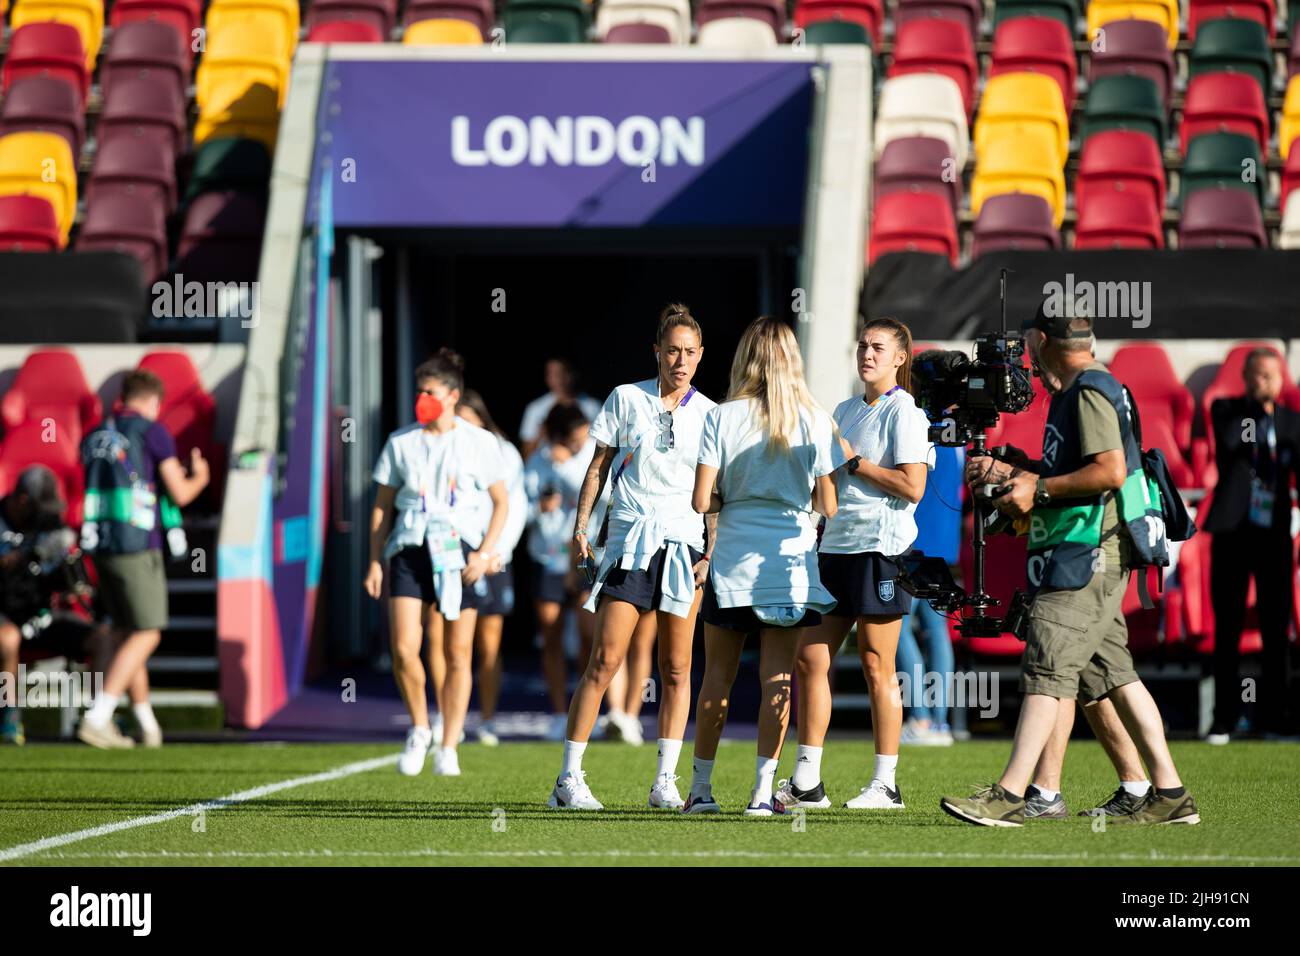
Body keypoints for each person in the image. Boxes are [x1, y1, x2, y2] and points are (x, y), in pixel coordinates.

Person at [940, 306, 1199, 826]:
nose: (1026, 356)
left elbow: (1108, 470)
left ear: (1040, 339)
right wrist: (1016, 469)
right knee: (1113, 678)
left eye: (1029, 344)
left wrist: (1037, 487)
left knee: (1046, 666)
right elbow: (1083, 469)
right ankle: (1169, 794)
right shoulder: (1088, 389)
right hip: (1091, 548)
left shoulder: (1088, 390)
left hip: (1085, 552)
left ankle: (1012, 795)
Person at [547, 304, 716, 811]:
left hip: (684, 548)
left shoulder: (711, 412)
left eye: (690, 352)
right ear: (657, 352)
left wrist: (709, 550)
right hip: (630, 543)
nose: (680, 361)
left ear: (701, 355)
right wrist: (581, 528)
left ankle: (666, 780)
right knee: (604, 660)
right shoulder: (626, 397)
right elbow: (597, 468)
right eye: (672, 351)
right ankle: (568, 779)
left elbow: (715, 493)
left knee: (678, 669)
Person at [686, 316, 842, 816]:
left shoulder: (722, 416)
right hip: (790, 562)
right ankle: (760, 793)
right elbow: (829, 505)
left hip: (732, 560)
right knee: (779, 680)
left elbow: (699, 500)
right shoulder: (816, 420)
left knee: (717, 678)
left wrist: (734, 492)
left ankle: (703, 792)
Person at [778, 317, 932, 812]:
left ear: (899, 358)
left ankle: (886, 784)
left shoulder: (904, 411)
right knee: (811, 658)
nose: (867, 353)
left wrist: (854, 462)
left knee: (875, 663)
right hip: (837, 547)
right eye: (862, 345)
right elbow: (829, 481)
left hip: (880, 549)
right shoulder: (843, 409)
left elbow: (913, 487)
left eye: (878, 347)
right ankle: (807, 783)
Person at [365, 349, 510, 777]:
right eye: (419, 392)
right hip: (410, 549)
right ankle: (419, 727)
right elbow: (381, 507)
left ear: (451, 395)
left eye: (429, 392)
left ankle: (449, 744)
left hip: (457, 550)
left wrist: (484, 553)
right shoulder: (401, 442)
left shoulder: (478, 442)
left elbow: (501, 502)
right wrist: (375, 560)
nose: (421, 399)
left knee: (457, 651)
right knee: (405, 647)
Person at [76, 370, 209, 750]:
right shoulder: (153, 431)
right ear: (153, 402)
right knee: (147, 632)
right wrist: (199, 477)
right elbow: (180, 493)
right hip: (136, 542)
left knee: (125, 631)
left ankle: (146, 725)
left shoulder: (95, 433)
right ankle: (98, 717)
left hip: (100, 542)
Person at [1203, 347, 1300, 742]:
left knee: (1275, 628)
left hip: (1273, 536)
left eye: (1273, 376)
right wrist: (1256, 410)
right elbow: (1231, 446)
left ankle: (1274, 717)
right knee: (1227, 627)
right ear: (1245, 378)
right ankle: (1224, 718)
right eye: (1259, 375)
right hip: (1232, 535)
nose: (1267, 382)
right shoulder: (1227, 411)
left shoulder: (1292, 422)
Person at [446, 389, 528, 746]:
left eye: (467, 417)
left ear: (481, 417)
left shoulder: (503, 451)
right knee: (450, 643)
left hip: (493, 559)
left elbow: (513, 505)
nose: (460, 425)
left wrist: (493, 552)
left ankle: (488, 719)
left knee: (488, 644)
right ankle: (450, 720)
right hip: (453, 557)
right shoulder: (444, 447)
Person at [524, 403, 608, 742]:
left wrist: (568, 471)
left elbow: (604, 497)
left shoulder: (596, 454)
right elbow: (520, 508)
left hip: (588, 556)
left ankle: (593, 712)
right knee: (551, 634)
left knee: (592, 636)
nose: (579, 443)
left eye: (582, 437)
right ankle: (559, 713)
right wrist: (539, 507)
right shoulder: (537, 462)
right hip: (548, 557)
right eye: (573, 439)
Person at [519, 358, 602, 459]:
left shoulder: (593, 406)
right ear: (547, 377)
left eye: (564, 372)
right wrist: (541, 436)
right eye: (554, 374)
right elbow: (526, 454)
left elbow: (604, 450)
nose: (560, 379)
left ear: (574, 374)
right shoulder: (535, 409)